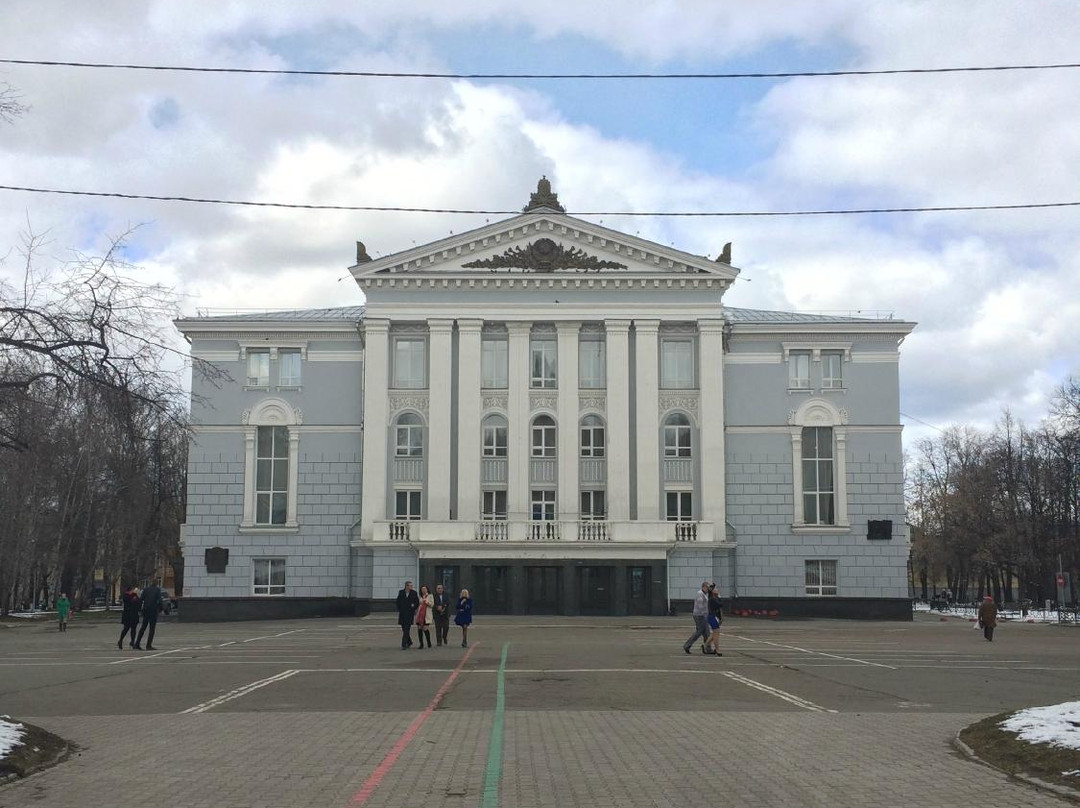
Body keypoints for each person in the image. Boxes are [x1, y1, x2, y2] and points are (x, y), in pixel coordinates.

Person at [682, 581, 711, 654]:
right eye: (707, 588)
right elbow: (700, 605)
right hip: (699, 615)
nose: (708, 589)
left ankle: (707, 648)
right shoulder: (700, 594)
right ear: (703, 587)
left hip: (702, 615)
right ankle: (687, 645)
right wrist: (705, 614)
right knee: (700, 631)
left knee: (706, 632)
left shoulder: (704, 594)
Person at [134, 578, 163, 650]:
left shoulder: (146, 589)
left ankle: (137, 643)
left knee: (143, 627)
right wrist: (160, 609)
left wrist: (139, 609)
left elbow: (141, 600)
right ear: (156, 583)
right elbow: (160, 600)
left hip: (146, 610)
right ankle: (148, 645)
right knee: (152, 629)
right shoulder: (157, 590)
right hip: (153, 611)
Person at [396, 581, 420, 650]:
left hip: (409, 614)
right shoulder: (401, 592)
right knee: (404, 629)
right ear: (406, 586)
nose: (411, 587)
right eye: (410, 586)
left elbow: (417, 602)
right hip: (402, 614)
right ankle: (409, 642)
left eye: (411, 586)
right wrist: (400, 609)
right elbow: (398, 601)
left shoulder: (414, 593)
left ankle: (403, 644)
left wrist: (414, 606)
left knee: (407, 629)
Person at [118, 585, 141, 649]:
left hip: (134, 614)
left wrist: (137, 597)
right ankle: (120, 640)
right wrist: (133, 599)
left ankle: (132, 641)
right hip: (127, 615)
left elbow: (138, 602)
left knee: (133, 629)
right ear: (129, 590)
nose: (133, 591)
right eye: (132, 590)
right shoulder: (126, 596)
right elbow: (128, 602)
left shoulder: (135, 595)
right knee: (126, 628)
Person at [705, 583, 723, 656]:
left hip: (714, 617)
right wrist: (719, 597)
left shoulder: (714, 598)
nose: (717, 590)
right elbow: (720, 605)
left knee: (714, 634)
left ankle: (705, 645)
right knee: (716, 635)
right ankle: (717, 650)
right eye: (715, 589)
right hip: (712, 617)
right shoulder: (712, 599)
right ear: (712, 591)